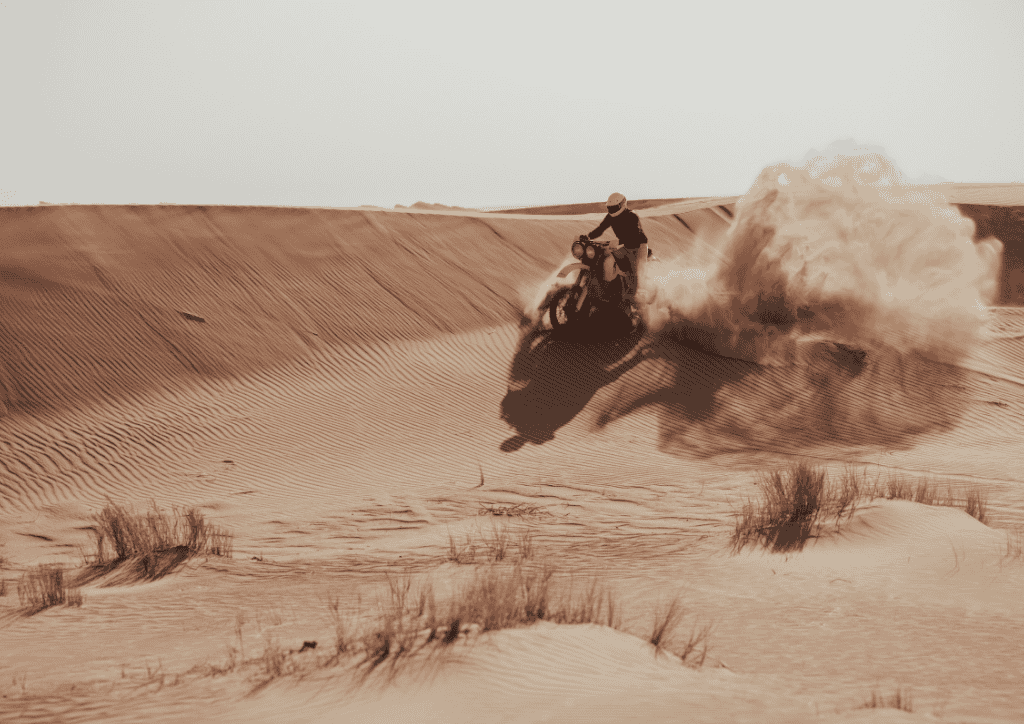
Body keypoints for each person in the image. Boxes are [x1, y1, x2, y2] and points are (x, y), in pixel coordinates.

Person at [578, 193, 648, 314]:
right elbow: (600, 229)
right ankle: (607, 290)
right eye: (610, 208)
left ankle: (631, 300)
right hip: (625, 245)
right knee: (606, 259)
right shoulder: (610, 217)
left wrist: (620, 241)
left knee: (633, 269)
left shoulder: (632, 217)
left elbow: (635, 236)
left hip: (638, 246)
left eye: (614, 207)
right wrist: (588, 236)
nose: (611, 210)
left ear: (622, 205)